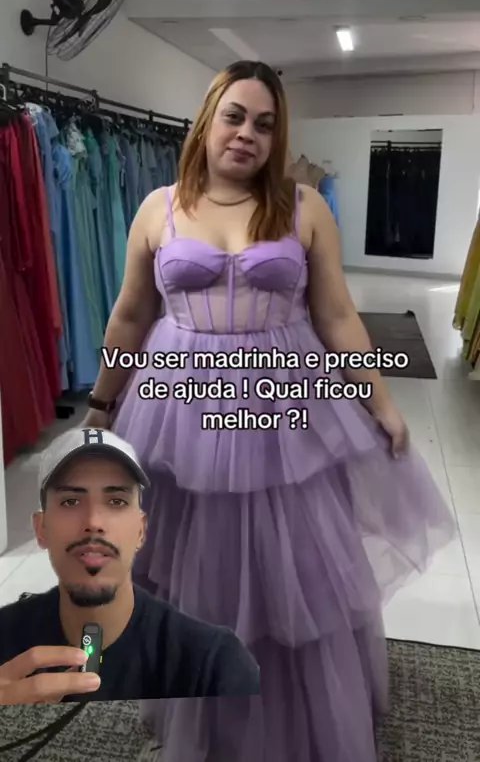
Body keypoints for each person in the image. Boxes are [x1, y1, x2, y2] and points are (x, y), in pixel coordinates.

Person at [83, 60, 455, 761]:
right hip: (180, 406)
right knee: (192, 564)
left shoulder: (304, 207)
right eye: (234, 116)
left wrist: (379, 398)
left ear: (277, 136)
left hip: (285, 405)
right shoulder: (159, 208)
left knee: (296, 567)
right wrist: (102, 407)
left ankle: (299, 714)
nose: (246, 133)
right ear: (207, 120)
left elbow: (337, 315)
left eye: (264, 123)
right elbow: (130, 315)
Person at [0, 428, 261, 705]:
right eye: (71, 501)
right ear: (41, 529)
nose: (94, 522)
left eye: (116, 501)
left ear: (140, 530)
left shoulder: (214, 666)